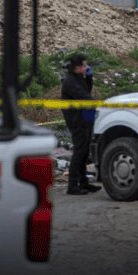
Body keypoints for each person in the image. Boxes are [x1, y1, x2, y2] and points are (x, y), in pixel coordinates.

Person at [61, 53, 101, 195]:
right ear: (77, 67)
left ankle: (84, 182)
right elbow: (85, 97)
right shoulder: (70, 82)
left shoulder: (78, 78)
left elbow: (87, 91)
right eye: (84, 65)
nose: (86, 67)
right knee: (79, 151)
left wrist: (89, 77)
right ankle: (72, 185)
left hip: (85, 117)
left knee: (85, 151)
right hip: (76, 119)